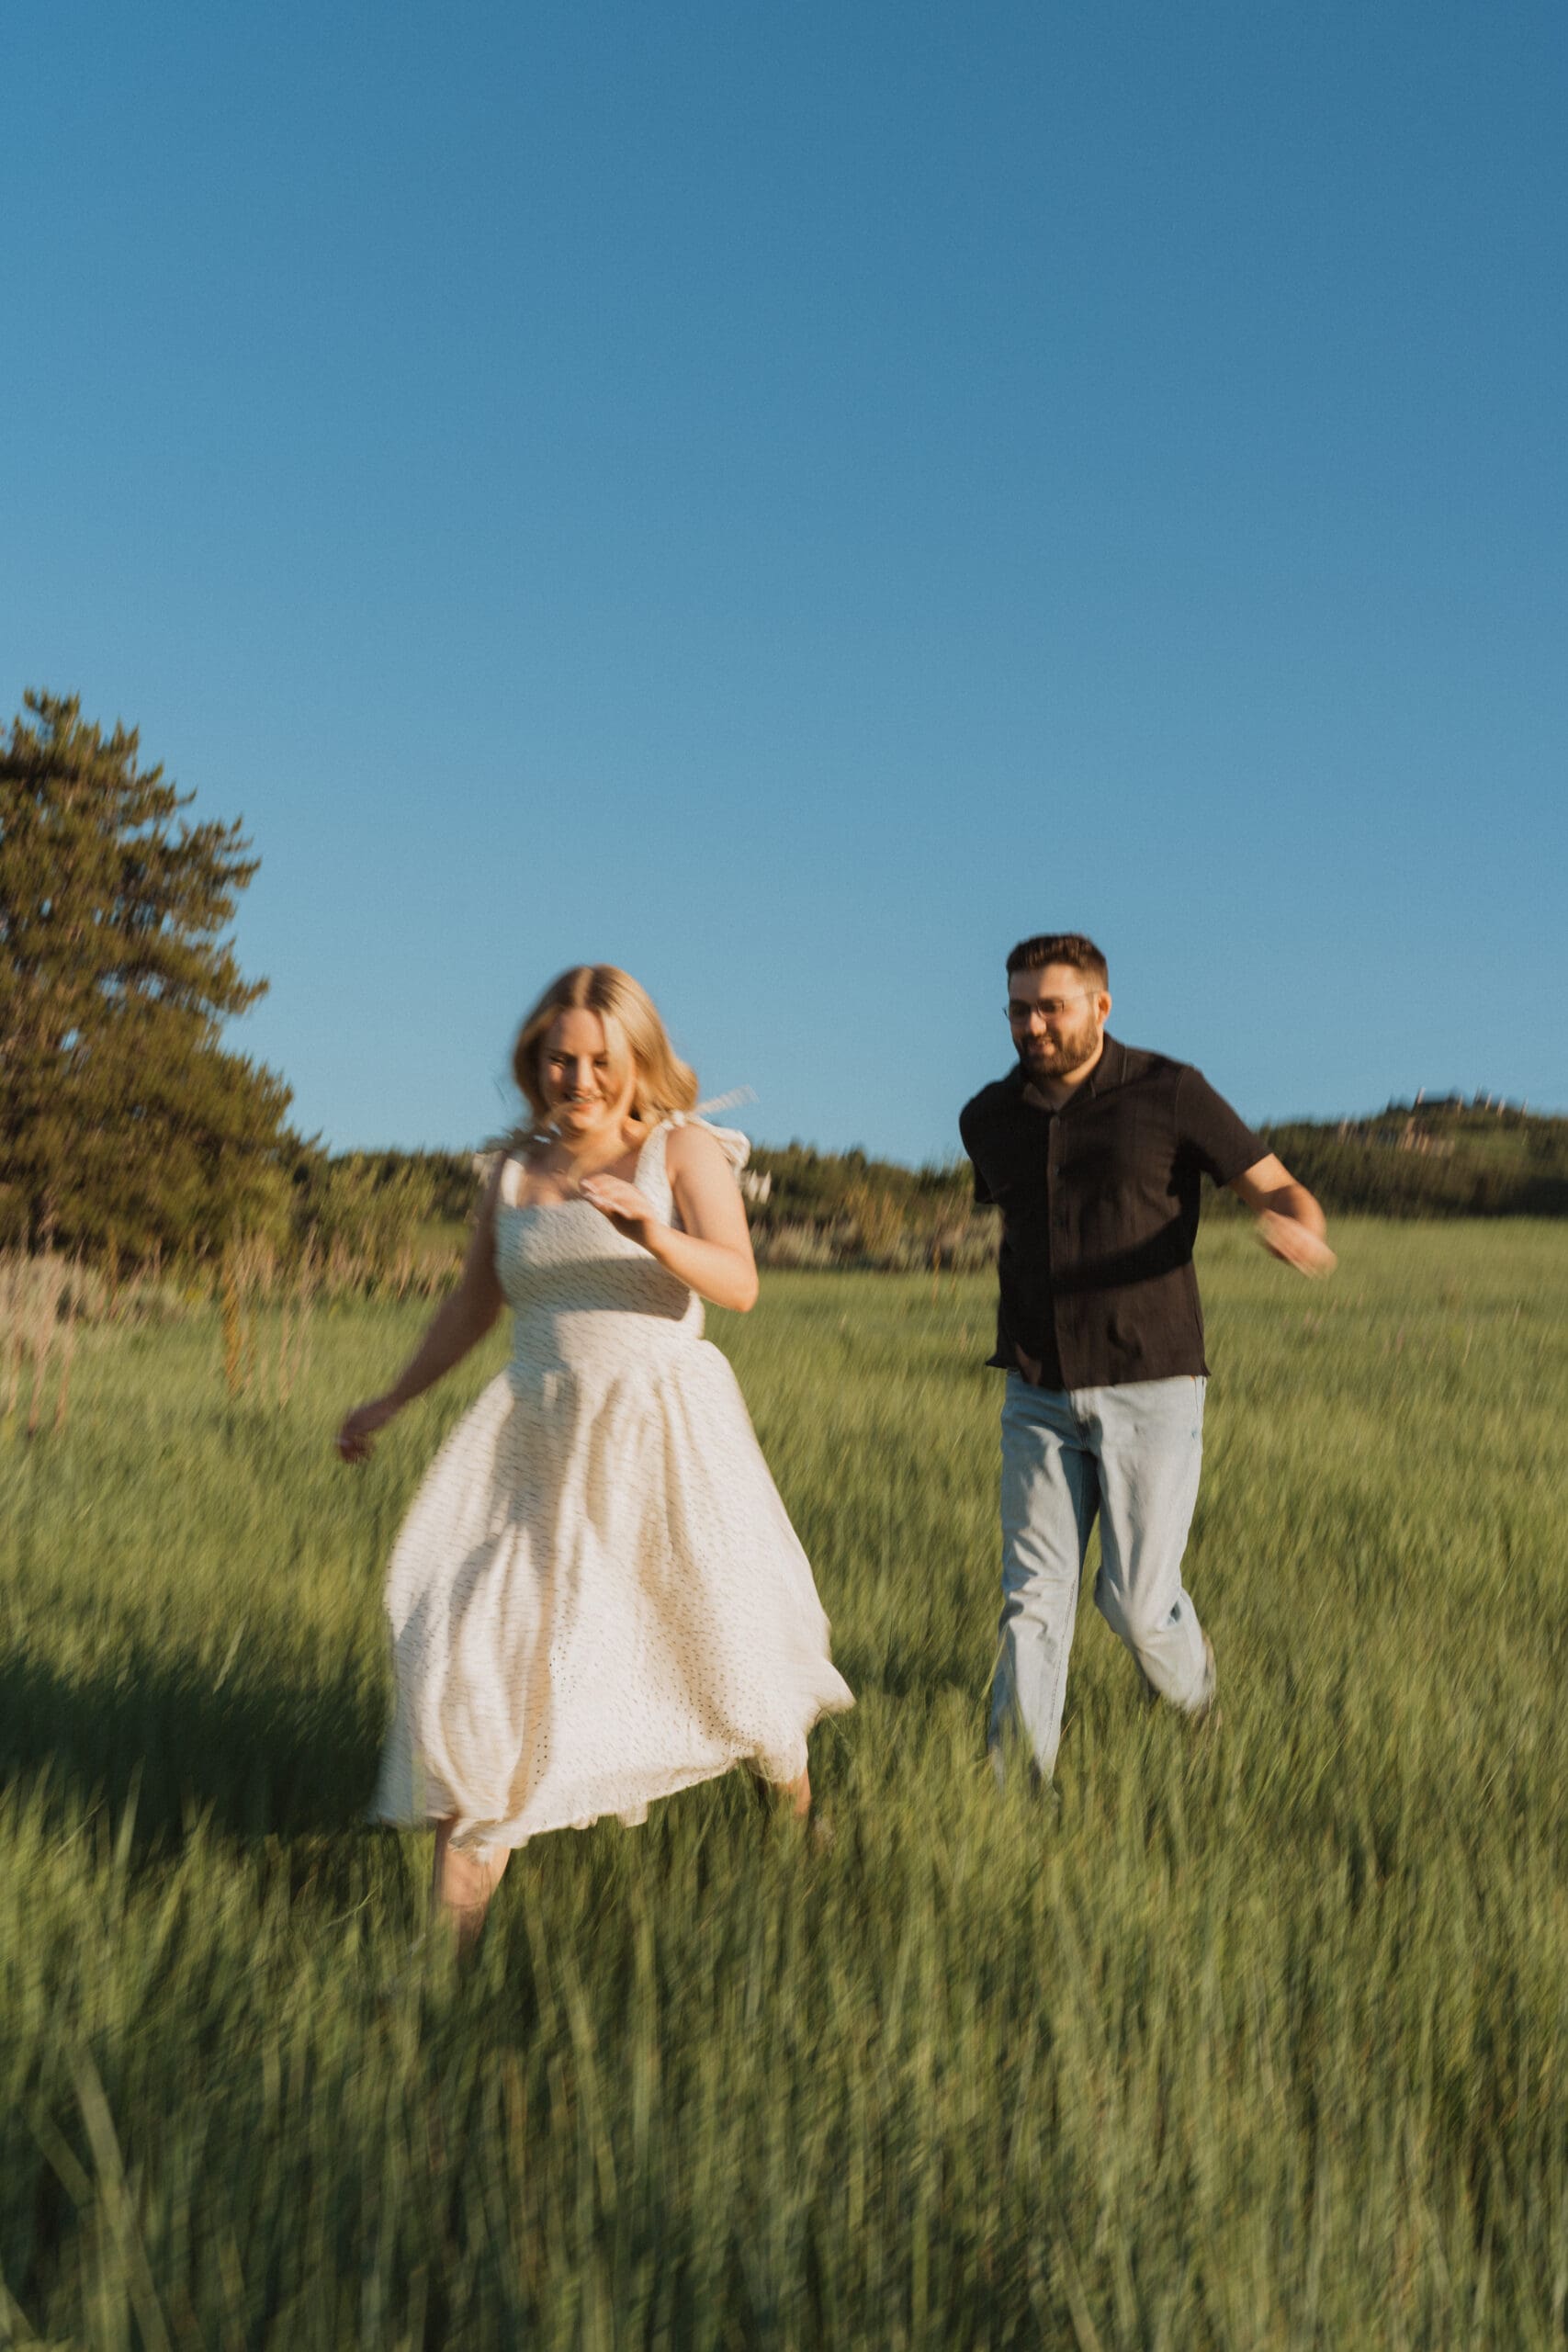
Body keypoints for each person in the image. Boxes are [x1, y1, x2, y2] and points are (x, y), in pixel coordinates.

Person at [335, 964, 852, 1946]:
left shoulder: (680, 1149)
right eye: (559, 1059)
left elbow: (738, 1283)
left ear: (638, 1059)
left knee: (725, 1652)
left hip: (662, 1436)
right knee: (486, 1664)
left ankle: (795, 1823)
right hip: (537, 1442)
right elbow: (474, 1302)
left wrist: (652, 1229)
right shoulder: (513, 1169)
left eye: (600, 1061)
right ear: (533, 1059)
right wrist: (392, 1399)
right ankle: (444, 1967)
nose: (578, 1079)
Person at [959, 933, 1335, 1792]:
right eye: (1018, 1009)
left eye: (1051, 1007)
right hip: (1036, 1387)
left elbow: (1278, 1186)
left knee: (1134, 1604)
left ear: (1100, 1006)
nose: (1032, 1026)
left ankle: (1195, 1699)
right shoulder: (988, 1118)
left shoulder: (1170, 1093)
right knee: (1032, 1596)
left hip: (1151, 1383)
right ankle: (1017, 1794)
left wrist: (1299, 1228)